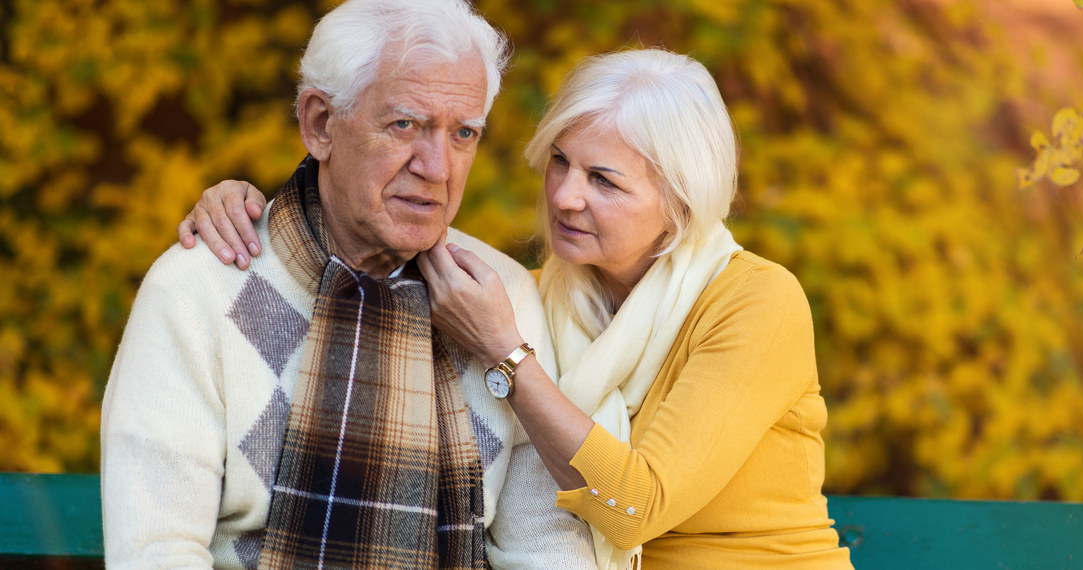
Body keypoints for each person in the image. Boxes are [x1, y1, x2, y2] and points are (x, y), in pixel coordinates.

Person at [184, 49, 852, 568]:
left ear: (680, 201)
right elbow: (376, 232)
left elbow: (636, 506)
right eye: (560, 162)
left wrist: (508, 354)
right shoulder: (541, 296)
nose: (564, 196)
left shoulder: (755, 303)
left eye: (603, 181)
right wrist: (253, 209)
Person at [102, 0, 595, 569]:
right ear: (320, 124)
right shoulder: (199, 290)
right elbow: (156, 553)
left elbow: (545, 545)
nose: (437, 168)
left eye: (463, 133)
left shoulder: (499, 296)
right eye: (405, 125)